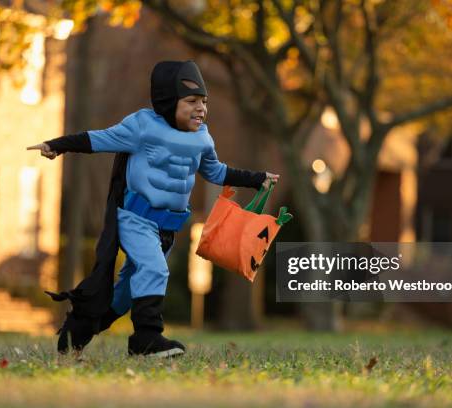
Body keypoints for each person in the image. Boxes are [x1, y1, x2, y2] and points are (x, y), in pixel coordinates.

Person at [27, 60, 279, 358]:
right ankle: (146, 339)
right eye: (192, 101)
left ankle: (72, 340)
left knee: (123, 297)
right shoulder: (142, 127)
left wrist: (256, 179)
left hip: (167, 229)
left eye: (204, 102)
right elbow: (100, 139)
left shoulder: (202, 138)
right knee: (155, 269)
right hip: (135, 218)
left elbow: (216, 172)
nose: (201, 109)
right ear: (168, 102)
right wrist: (57, 145)